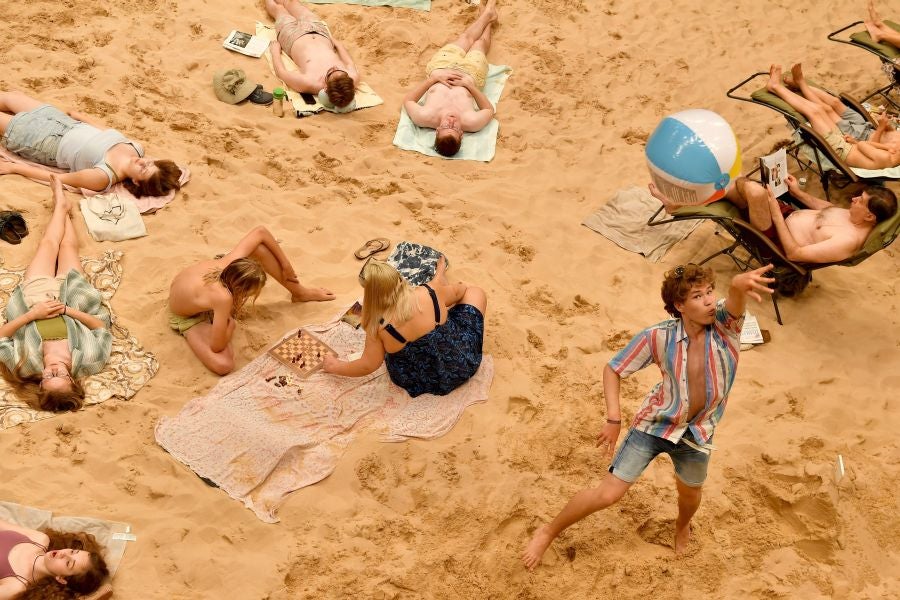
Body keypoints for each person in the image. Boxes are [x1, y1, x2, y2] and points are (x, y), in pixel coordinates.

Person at [522, 264, 775, 570]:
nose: (709, 301)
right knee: (607, 495)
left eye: (710, 291)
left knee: (690, 494)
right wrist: (613, 420)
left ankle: (682, 526)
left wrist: (738, 284)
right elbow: (614, 369)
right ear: (680, 306)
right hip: (654, 425)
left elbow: (735, 298)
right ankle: (548, 531)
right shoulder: (658, 337)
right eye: (698, 296)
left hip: (697, 433)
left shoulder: (725, 326)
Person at [0, 176, 112, 412]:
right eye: (59, 374)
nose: (52, 369)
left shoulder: (25, 366)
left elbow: (2, 338)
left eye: (48, 376)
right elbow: (101, 328)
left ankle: (60, 201)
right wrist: (65, 309)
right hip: (74, 296)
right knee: (68, 248)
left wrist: (31, 316)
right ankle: (63, 209)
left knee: (49, 246)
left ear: (41, 382)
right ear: (71, 379)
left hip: (35, 298)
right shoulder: (90, 361)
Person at [168, 226, 335, 376]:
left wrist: (286, 265)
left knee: (260, 250)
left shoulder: (229, 264)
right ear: (239, 290)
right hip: (186, 316)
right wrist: (230, 326)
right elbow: (216, 346)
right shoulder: (223, 298)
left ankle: (300, 293)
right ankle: (193, 330)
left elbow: (260, 232)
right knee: (224, 365)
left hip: (188, 289)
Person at [322, 257, 486, 397]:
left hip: (418, 379)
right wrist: (439, 287)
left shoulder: (377, 325)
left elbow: (368, 364)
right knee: (476, 292)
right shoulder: (428, 291)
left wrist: (336, 366)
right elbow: (460, 291)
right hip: (460, 363)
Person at [651, 173, 897, 263]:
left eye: (860, 201)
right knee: (736, 186)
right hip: (782, 217)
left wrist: (775, 212)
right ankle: (679, 204)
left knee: (754, 191)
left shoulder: (846, 241)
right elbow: (828, 209)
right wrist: (797, 193)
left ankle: (679, 203)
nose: (853, 200)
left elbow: (794, 255)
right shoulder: (856, 217)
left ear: (869, 216)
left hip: (773, 243)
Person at [0, 91, 181, 196]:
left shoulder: (103, 177)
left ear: (136, 182)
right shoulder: (137, 149)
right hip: (66, 122)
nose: (143, 162)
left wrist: (14, 168)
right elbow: (106, 132)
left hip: (45, 142)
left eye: (144, 170)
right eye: (150, 163)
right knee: (11, 97)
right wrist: (82, 117)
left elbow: (57, 178)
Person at [402, 0, 499, 157]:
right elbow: (489, 110)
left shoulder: (424, 117)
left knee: (466, 38)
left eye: (447, 126)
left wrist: (433, 79)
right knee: (480, 44)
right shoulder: (471, 122)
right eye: (455, 128)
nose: (451, 122)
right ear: (461, 134)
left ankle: (487, 14)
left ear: (438, 130)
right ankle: (488, 20)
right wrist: (469, 86)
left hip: (442, 66)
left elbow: (408, 100)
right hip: (471, 74)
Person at [765, 64, 900, 169]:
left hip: (842, 149)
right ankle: (786, 85)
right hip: (846, 145)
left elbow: (864, 145)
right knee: (820, 110)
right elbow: (869, 145)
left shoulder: (886, 158)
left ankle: (777, 86)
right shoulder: (890, 154)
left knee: (816, 112)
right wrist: (887, 140)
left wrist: (885, 143)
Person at [265, 0, 359, 108]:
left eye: (330, 73)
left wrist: (275, 52)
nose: (334, 67)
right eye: (339, 70)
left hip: (291, 36)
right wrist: (338, 45)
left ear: (325, 89)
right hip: (319, 31)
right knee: (293, 3)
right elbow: (349, 61)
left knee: (279, 10)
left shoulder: (309, 82)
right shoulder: (353, 78)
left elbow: (282, 73)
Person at [782, 62, 899, 144]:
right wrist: (887, 124)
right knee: (836, 102)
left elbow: (874, 148)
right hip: (866, 126)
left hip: (859, 137)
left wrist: (882, 127)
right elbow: (888, 132)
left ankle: (800, 82)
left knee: (827, 109)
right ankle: (798, 84)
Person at [0, 518, 109, 600]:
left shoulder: (16, 586)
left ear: (61, 579)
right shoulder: (40, 539)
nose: (64, 554)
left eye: (68, 563)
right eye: (72, 551)